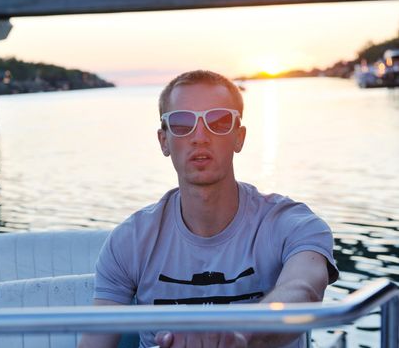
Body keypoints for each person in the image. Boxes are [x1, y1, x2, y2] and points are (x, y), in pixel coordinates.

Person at [79, 70, 338, 348]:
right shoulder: (130, 241)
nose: (200, 137)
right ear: (164, 141)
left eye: (218, 121)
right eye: (181, 124)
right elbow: (95, 341)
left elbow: (304, 289)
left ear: (239, 137)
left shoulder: (291, 224)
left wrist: (239, 337)